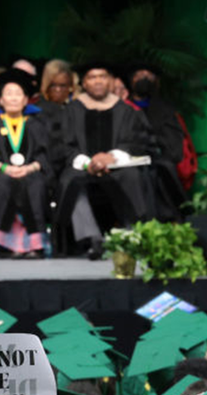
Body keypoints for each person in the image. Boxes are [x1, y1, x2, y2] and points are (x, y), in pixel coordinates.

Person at [58, 62, 159, 258]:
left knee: (132, 177)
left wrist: (111, 157)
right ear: (84, 83)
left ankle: (133, 235)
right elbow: (63, 145)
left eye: (102, 76)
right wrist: (89, 163)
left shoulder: (127, 111)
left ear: (112, 82)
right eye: (92, 77)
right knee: (70, 181)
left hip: (119, 165)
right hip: (82, 165)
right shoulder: (71, 110)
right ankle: (91, 238)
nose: (98, 81)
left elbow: (138, 142)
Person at [0, 68, 52, 258]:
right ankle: (0, 242)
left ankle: (34, 243)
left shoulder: (36, 123)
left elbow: (45, 154)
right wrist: (4, 167)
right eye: (8, 94)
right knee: (3, 183)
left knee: (35, 184)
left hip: (30, 171)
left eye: (18, 94)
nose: (13, 98)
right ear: (1, 100)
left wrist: (30, 168)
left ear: (25, 100)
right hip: (1, 172)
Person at [125, 63, 189, 213]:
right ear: (131, 80)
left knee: (164, 168)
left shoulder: (166, 110)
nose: (144, 78)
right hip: (128, 162)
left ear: (157, 81)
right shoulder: (123, 108)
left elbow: (174, 147)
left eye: (149, 76)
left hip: (160, 162)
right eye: (139, 75)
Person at [37, 59, 75, 161]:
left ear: (70, 86)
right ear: (46, 85)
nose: (58, 90)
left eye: (63, 86)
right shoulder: (37, 112)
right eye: (53, 85)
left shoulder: (74, 110)